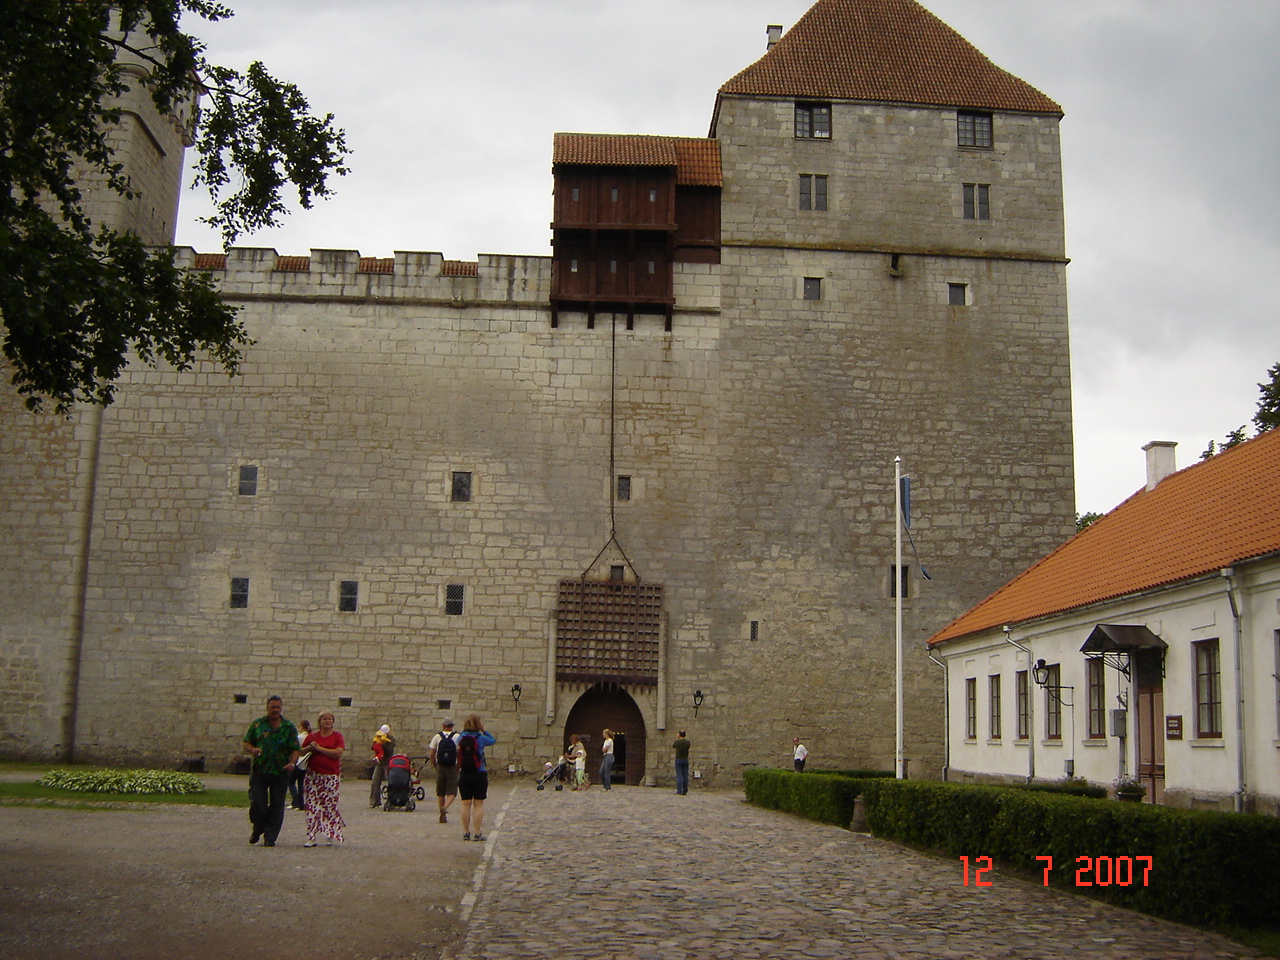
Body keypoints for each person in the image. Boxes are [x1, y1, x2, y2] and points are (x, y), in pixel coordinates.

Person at [241, 695, 300, 847]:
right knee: (258, 804)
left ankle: (270, 837)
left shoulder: (289, 727)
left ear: (281, 708)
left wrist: (292, 763)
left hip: (280, 772)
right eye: (272, 707)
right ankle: (258, 827)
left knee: (277, 805)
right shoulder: (257, 725)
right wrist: (252, 749)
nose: (275, 710)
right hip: (260, 770)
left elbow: (295, 749)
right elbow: (246, 742)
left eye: (278, 707)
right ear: (267, 708)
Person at [301, 710, 346, 847]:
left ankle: (330, 833)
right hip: (313, 776)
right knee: (312, 806)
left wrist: (320, 749)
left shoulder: (337, 736)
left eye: (329, 719)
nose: (327, 721)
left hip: (331, 776)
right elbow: (300, 751)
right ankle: (311, 836)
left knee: (330, 805)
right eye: (324, 719)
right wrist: (309, 747)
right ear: (319, 722)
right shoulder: (313, 736)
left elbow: (338, 753)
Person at [457, 714, 496, 841]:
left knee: (465, 804)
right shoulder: (481, 738)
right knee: (478, 804)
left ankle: (465, 832)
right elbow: (492, 740)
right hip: (479, 773)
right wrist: (483, 729)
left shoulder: (461, 738)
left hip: (465, 773)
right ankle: (477, 832)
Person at [428, 718, 459, 824]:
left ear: (443, 726)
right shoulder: (457, 737)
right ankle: (445, 807)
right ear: (452, 726)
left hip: (440, 766)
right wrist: (458, 767)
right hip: (452, 766)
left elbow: (432, 754)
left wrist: (435, 765)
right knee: (452, 791)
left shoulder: (437, 737)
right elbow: (459, 753)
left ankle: (442, 813)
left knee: (440, 791)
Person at [370, 723, 395, 808]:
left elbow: (389, 750)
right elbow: (373, 747)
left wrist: (384, 743)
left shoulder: (391, 740)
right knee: (375, 782)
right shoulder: (379, 737)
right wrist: (376, 742)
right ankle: (375, 801)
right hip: (380, 762)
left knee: (390, 781)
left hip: (388, 762)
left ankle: (392, 800)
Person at [289, 718, 312, 810]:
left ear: (302, 727)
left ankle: (296, 802)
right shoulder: (310, 737)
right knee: (301, 783)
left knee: (290, 782)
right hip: (305, 763)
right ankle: (302, 803)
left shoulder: (299, 737)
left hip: (298, 762)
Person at [672, 730, 691, 795]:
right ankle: (685, 790)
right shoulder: (688, 742)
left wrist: (677, 738)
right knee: (685, 775)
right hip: (685, 759)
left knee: (679, 775)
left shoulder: (677, 742)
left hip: (679, 759)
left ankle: (679, 790)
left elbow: (673, 746)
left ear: (679, 735)